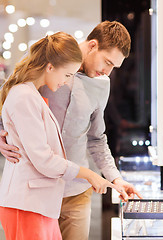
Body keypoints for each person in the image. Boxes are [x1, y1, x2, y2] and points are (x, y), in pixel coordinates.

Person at [0, 21, 142, 240]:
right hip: (35, 191)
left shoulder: (102, 84)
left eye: (114, 67)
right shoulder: (50, 58)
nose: (108, 72)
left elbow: (97, 138)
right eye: (107, 62)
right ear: (93, 45)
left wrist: (115, 178)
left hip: (76, 191)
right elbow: (9, 95)